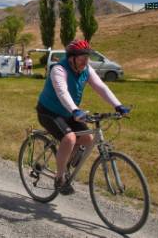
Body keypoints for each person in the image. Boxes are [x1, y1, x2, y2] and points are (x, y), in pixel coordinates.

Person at [36, 39, 130, 195]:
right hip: (49, 111)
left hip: (70, 112)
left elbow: (101, 87)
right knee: (70, 138)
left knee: (87, 139)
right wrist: (75, 110)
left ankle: (64, 164)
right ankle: (59, 178)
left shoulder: (86, 69)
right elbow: (62, 92)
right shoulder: (59, 70)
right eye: (82, 57)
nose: (85, 61)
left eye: (87, 57)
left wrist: (118, 105)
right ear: (72, 57)